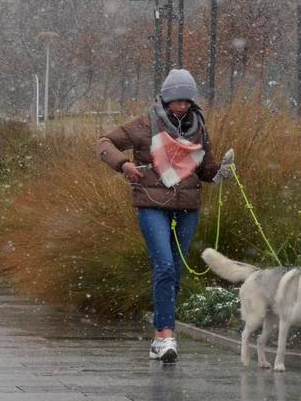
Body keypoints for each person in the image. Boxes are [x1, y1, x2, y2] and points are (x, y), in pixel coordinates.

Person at [98, 69, 231, 363]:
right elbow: (105, 142)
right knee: (165, 266)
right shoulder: (145, 124)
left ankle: (163, 331)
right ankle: (164, 336)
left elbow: (204, 168)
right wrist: (123, 165)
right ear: (165, 98)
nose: (181, 106)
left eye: (186, 101)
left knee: (175, 272)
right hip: (151, 204)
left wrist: (221, 172)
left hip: (188, 207)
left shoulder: (199, 128)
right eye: (176, 100)